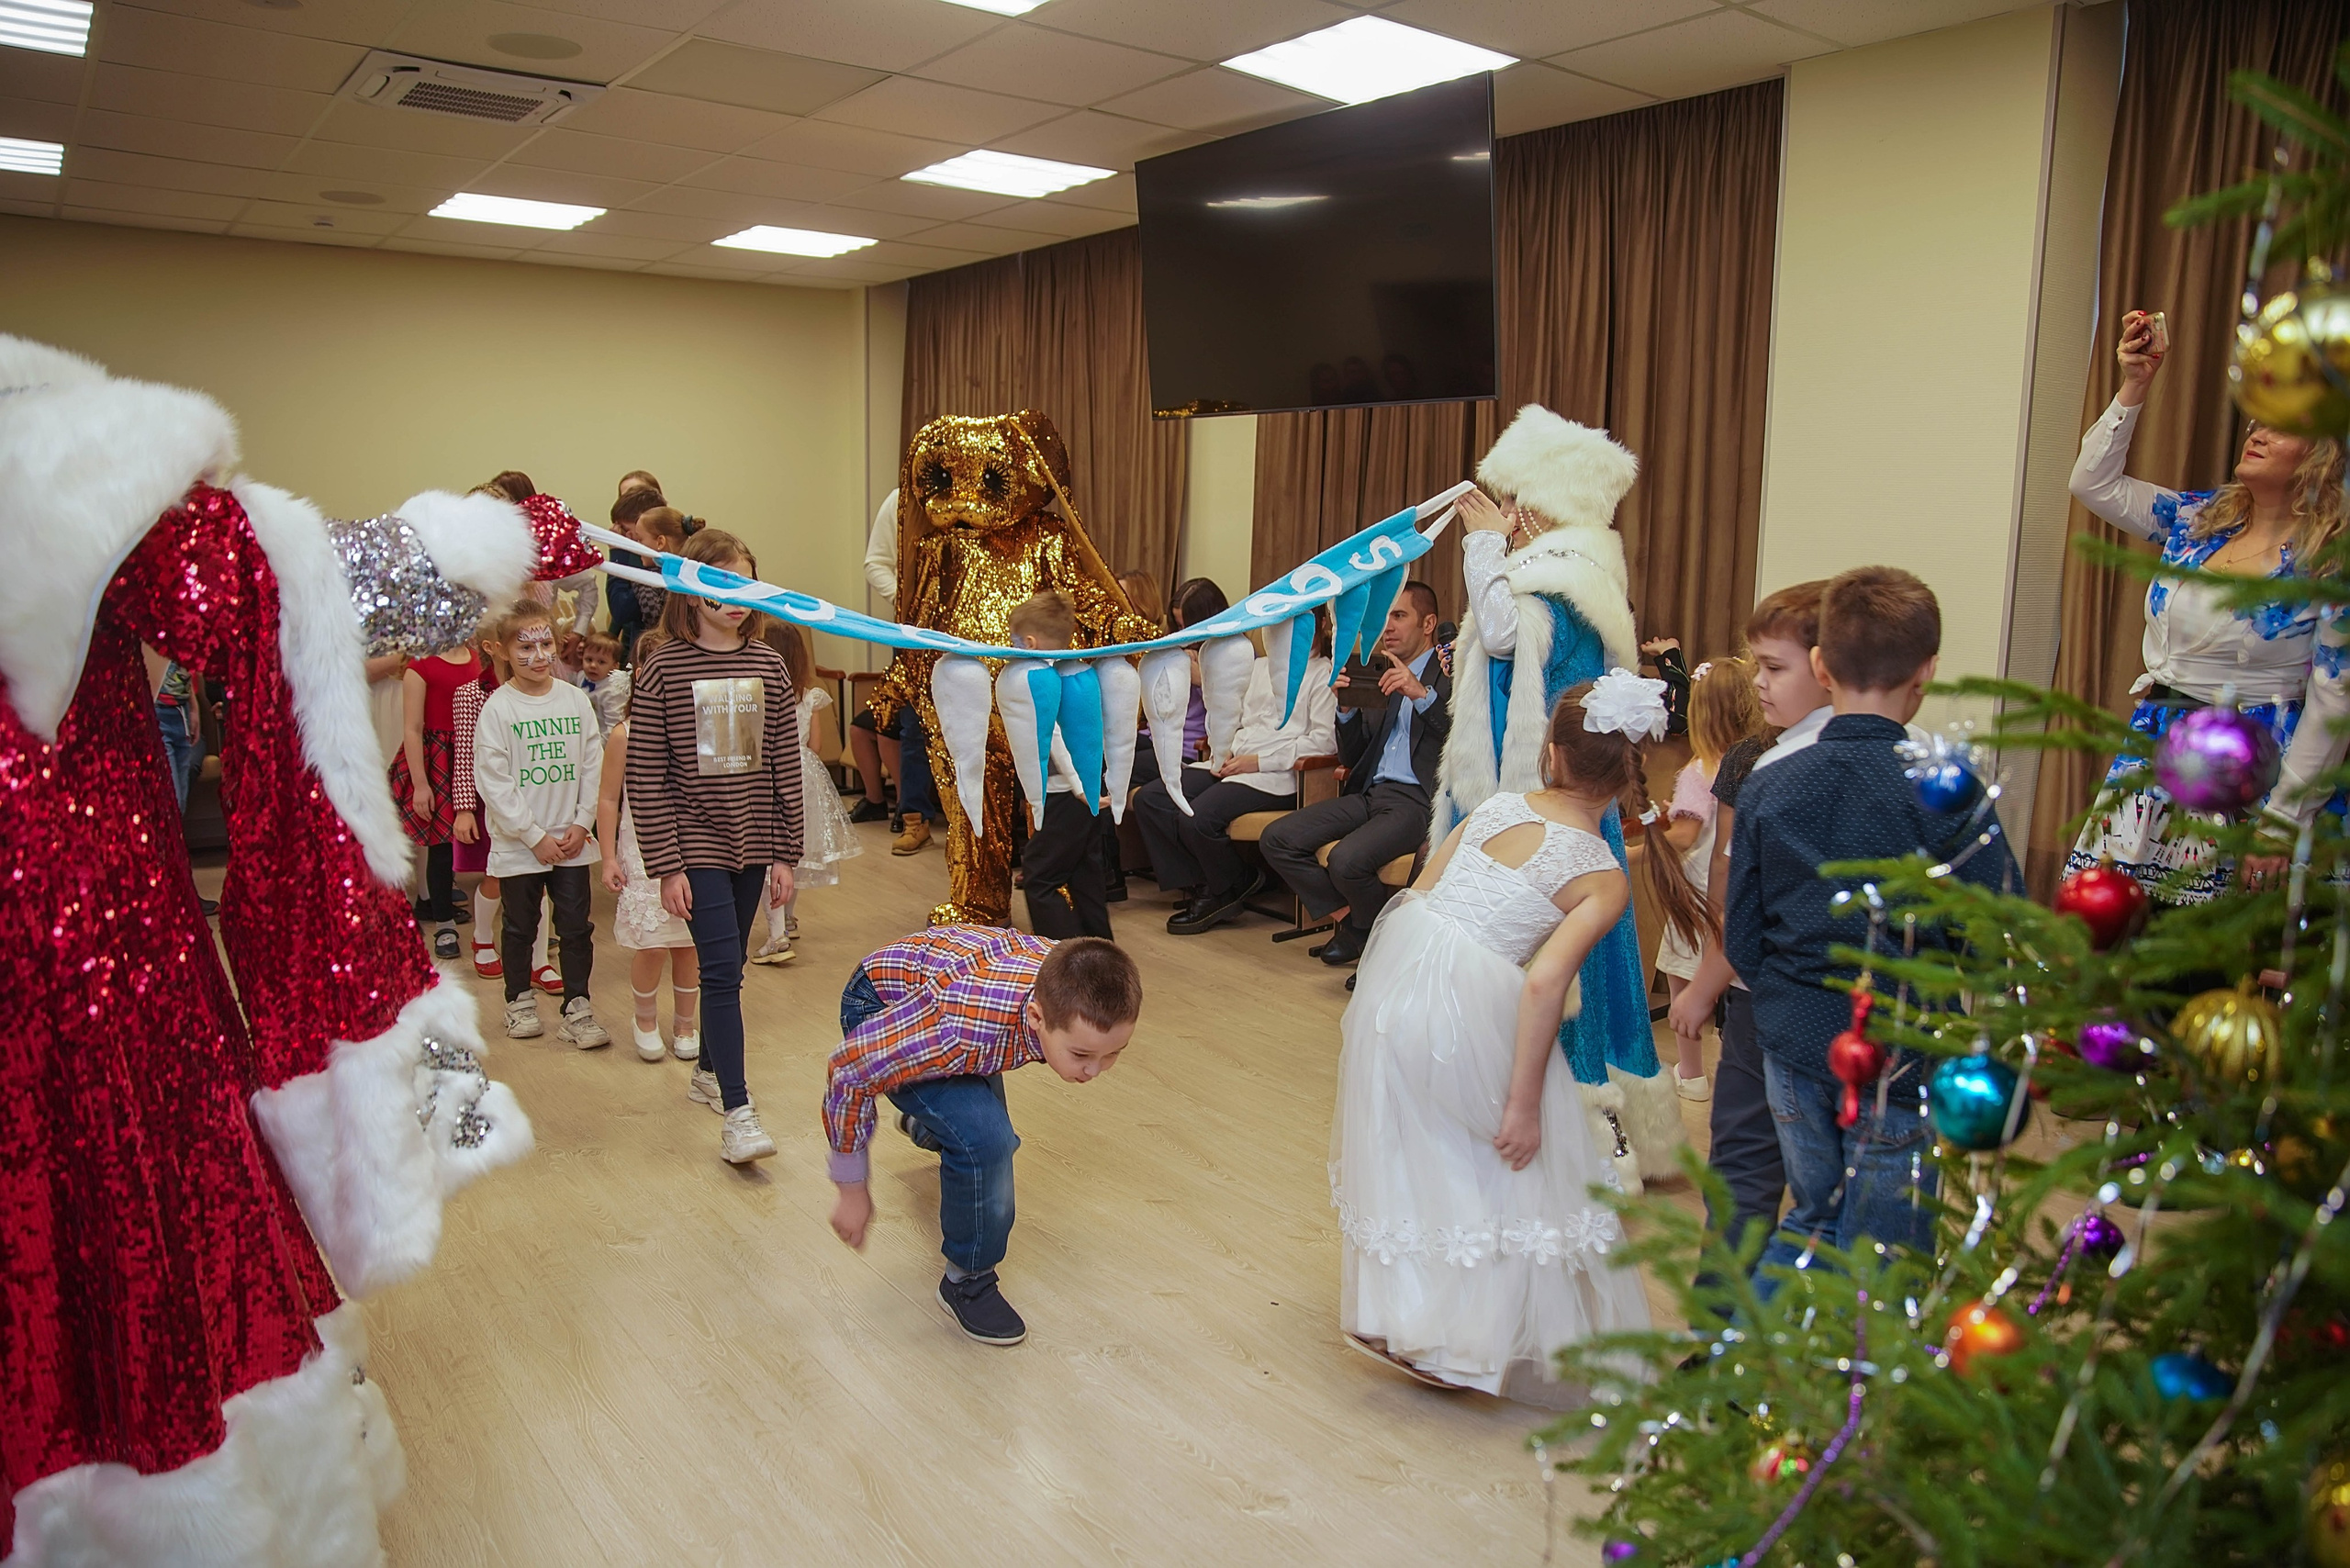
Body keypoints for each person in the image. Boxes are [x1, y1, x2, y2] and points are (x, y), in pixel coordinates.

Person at [1332, 672, 1700, 1399]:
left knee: (1421, 1152)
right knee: (1504, 1162)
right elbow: (1543, 984)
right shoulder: (1602, 871)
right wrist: (1525, 1102)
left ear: (1553, 755)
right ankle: (1457, 1340)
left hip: (1397, 985)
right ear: (1630, 768)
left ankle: (1398, 1313)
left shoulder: (1497, 806)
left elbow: (1423, 894)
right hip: (1469, 1005)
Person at [1727, 567, 2015, 1292]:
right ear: (1926, 673)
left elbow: (1743, 933)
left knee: (1815, 1215)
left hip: (1791, 1040)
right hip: (1901, 1044)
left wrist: (1791, 995)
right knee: (1890, 1239)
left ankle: (1748, 1391)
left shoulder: (1769, 779)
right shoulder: (1945, 782)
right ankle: (1865, 1392)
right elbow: (1994, 922)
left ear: (1823, 666)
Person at [1434, 405, 1683, 1188]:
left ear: (1540, 503)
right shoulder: (1588, 574)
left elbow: (1507, 636)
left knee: (1547, 963)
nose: (1507, 515)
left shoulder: (1559, 574)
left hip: (1540, 808)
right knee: (1590, 962)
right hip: (1572, 804)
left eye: (1514, 503)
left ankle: (1576, 1144)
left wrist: (1480, 542)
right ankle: (1614, 1137)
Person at [2067, 308, 2346, 900]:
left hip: (2255, 772)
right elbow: (2093, 484)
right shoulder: (2199, 520)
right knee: (2126, 949)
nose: (2257, 432)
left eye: (2282, 426)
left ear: (2327, 456)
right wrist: (2135, 384)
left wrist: (2282, 821)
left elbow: (2335, 696)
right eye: (2255, 424)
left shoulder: (2331, 562)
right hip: (2156, 751)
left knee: (2212, 961)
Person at [824, 929, 1143, 1346]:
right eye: (1081, 1055)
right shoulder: (961, 1028)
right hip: (883, 1008)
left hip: (943, 1000)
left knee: (976, 1132)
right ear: (1037, 1017)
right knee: (987, 1145)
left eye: (1113, 1053)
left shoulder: (1065, 983)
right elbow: (849, 1073)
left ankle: (933, 1123)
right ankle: (966, 1281)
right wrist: (851, 1190)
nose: (1094, 1071)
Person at [626, 528, 803, 1164]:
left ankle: (705, 1072)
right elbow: (645, 774)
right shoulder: (664, 667)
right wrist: (667, 864)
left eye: (747, 585)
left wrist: (787, 851)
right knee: (723, 972)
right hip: (695, 842)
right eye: (723, 585)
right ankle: (738, 1111)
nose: (737, 599)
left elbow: (786, 761)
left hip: (755, 841)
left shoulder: (769, 665)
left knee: (730, 969)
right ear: (692, 590)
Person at [1259, 582, 1450, 966]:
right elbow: (1355, 755)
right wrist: (1344, 709)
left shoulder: (1451, 669)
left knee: (1347, 861)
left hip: (1419, 802)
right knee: (1278, 838)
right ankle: (1361, 928)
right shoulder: (1376, 670)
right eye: (1385, 618)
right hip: (1371, 793)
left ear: (1428, 623)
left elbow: (1463, 739)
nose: (1388, 627)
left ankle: (1370, 941)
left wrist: (1421, 694)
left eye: (1399, 616)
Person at [1147, 606, 1338, 935]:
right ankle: (1216, 881)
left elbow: (1323, 743)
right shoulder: (1259, 667)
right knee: (1156, 799)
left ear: (1321, 626)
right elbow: (1230, 718)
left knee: (1197, 817)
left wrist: (1257, 762)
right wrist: (1225, 750)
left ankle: (1222, 891)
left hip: (1277, 774)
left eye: (1300, 624)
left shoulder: (1324, 674)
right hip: (1233, 760)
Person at [474, 600, 609, 1049]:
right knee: (519, 926)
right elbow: (493, 781)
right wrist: (533, 836)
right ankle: (519, 1002)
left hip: (571, 841)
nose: (538, 655)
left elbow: (593, 764)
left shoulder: (574, 700)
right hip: (521, 845)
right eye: (525, 646)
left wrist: (581, 822)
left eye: (546, 643)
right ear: (504, 652)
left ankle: (578, 1007)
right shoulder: (497, 708)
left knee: (575, 927)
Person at [1652, 655, 1764, 1100]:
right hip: (1733, 896)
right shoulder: (1755, 763)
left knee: (1684, 976)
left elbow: (1684, 835)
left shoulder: (1699, 771)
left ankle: (1693, 1073)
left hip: (1698, 896)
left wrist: (1640, 849)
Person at [1007, 590, 1117, 940]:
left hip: (1066, 794)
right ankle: (1100, 950)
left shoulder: (1043, 681)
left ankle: (1065, 954)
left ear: (1029, 641)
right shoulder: (1074, 673)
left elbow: (1054, 736)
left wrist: (1078, 786)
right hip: (1084, 789)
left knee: (1039, 877)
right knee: (1086, 875)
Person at [752, 622, 861, 964]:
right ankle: (788, 917)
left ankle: (776, 935)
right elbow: (815, 745)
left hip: (768, 774)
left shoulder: (757, 692)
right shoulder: (809, 695)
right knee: (792, 852)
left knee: (768, 856)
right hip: (805, 775)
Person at [597, 713, 700, 1064]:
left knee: (689, 943)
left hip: (693, 843)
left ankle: (685, 1025)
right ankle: (644, 1019)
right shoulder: (625, 734)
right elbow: (609, 798)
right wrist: (608, 857)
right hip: (643, 846)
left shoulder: (696, 721)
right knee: (652, 944)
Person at [389, 631, 485, 961]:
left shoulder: (477, 657)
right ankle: (444, 923)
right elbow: (413, 728)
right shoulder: (420, 666)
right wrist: (420, 784)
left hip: (476, 754)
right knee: (441, 847)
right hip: (439, 760)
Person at [578, 629, 630, 734]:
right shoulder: (581, 676)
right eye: (588, 659)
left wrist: (599, 747)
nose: (593, 665)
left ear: (615, 666)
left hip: (603, 740)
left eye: (601, 662)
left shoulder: (613, 692)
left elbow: (614, 727)